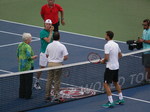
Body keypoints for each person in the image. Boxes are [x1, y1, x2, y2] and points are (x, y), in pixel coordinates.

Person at [100, 31, 124, 108]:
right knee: (116, 82)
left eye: (105, 35)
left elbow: (106, 58)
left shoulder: (107, 45)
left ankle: (110, 101)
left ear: (108, 36)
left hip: (110, 67)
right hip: (116, 66)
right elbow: (120, 55)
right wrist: (114, 59)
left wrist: (102, 61)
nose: (104, 36)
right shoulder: (116, 44)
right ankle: (121, 98)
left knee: (105, 84)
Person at [45, 32, 68, 102]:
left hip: (50, 64)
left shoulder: (49, 45)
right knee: (57, 81)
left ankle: (47, 96)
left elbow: (46, 55)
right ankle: (56, 96)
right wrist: (60, 59)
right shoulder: (62, 46)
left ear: (53, 38)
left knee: (49, 80)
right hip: (58, 65)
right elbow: (66, 57)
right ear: (59, 37)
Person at [34, 19, 54, 90]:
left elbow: (56, 40)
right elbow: (48, 40)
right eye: (47, 24)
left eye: (49, 24)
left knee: (51, 68)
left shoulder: (53, 32)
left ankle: (51, 82)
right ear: (44, 24)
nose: (48, 25)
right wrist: (51, 32)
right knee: (42, 68)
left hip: (51, 53)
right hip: (44, 53)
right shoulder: (42, 32)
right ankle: (37, 81)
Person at [17, 33, 38, 99]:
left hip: (21, 67)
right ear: (27, 39)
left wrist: (21, 61)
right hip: (28, 67)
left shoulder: (20, 45)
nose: (31, 39)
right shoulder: (28, 47)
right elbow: (29, 57)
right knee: (28, 82)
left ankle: (21, 95)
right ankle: (27, 96)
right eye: (30, 38)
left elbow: (17, 55)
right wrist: (34, 57)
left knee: (22, 81)